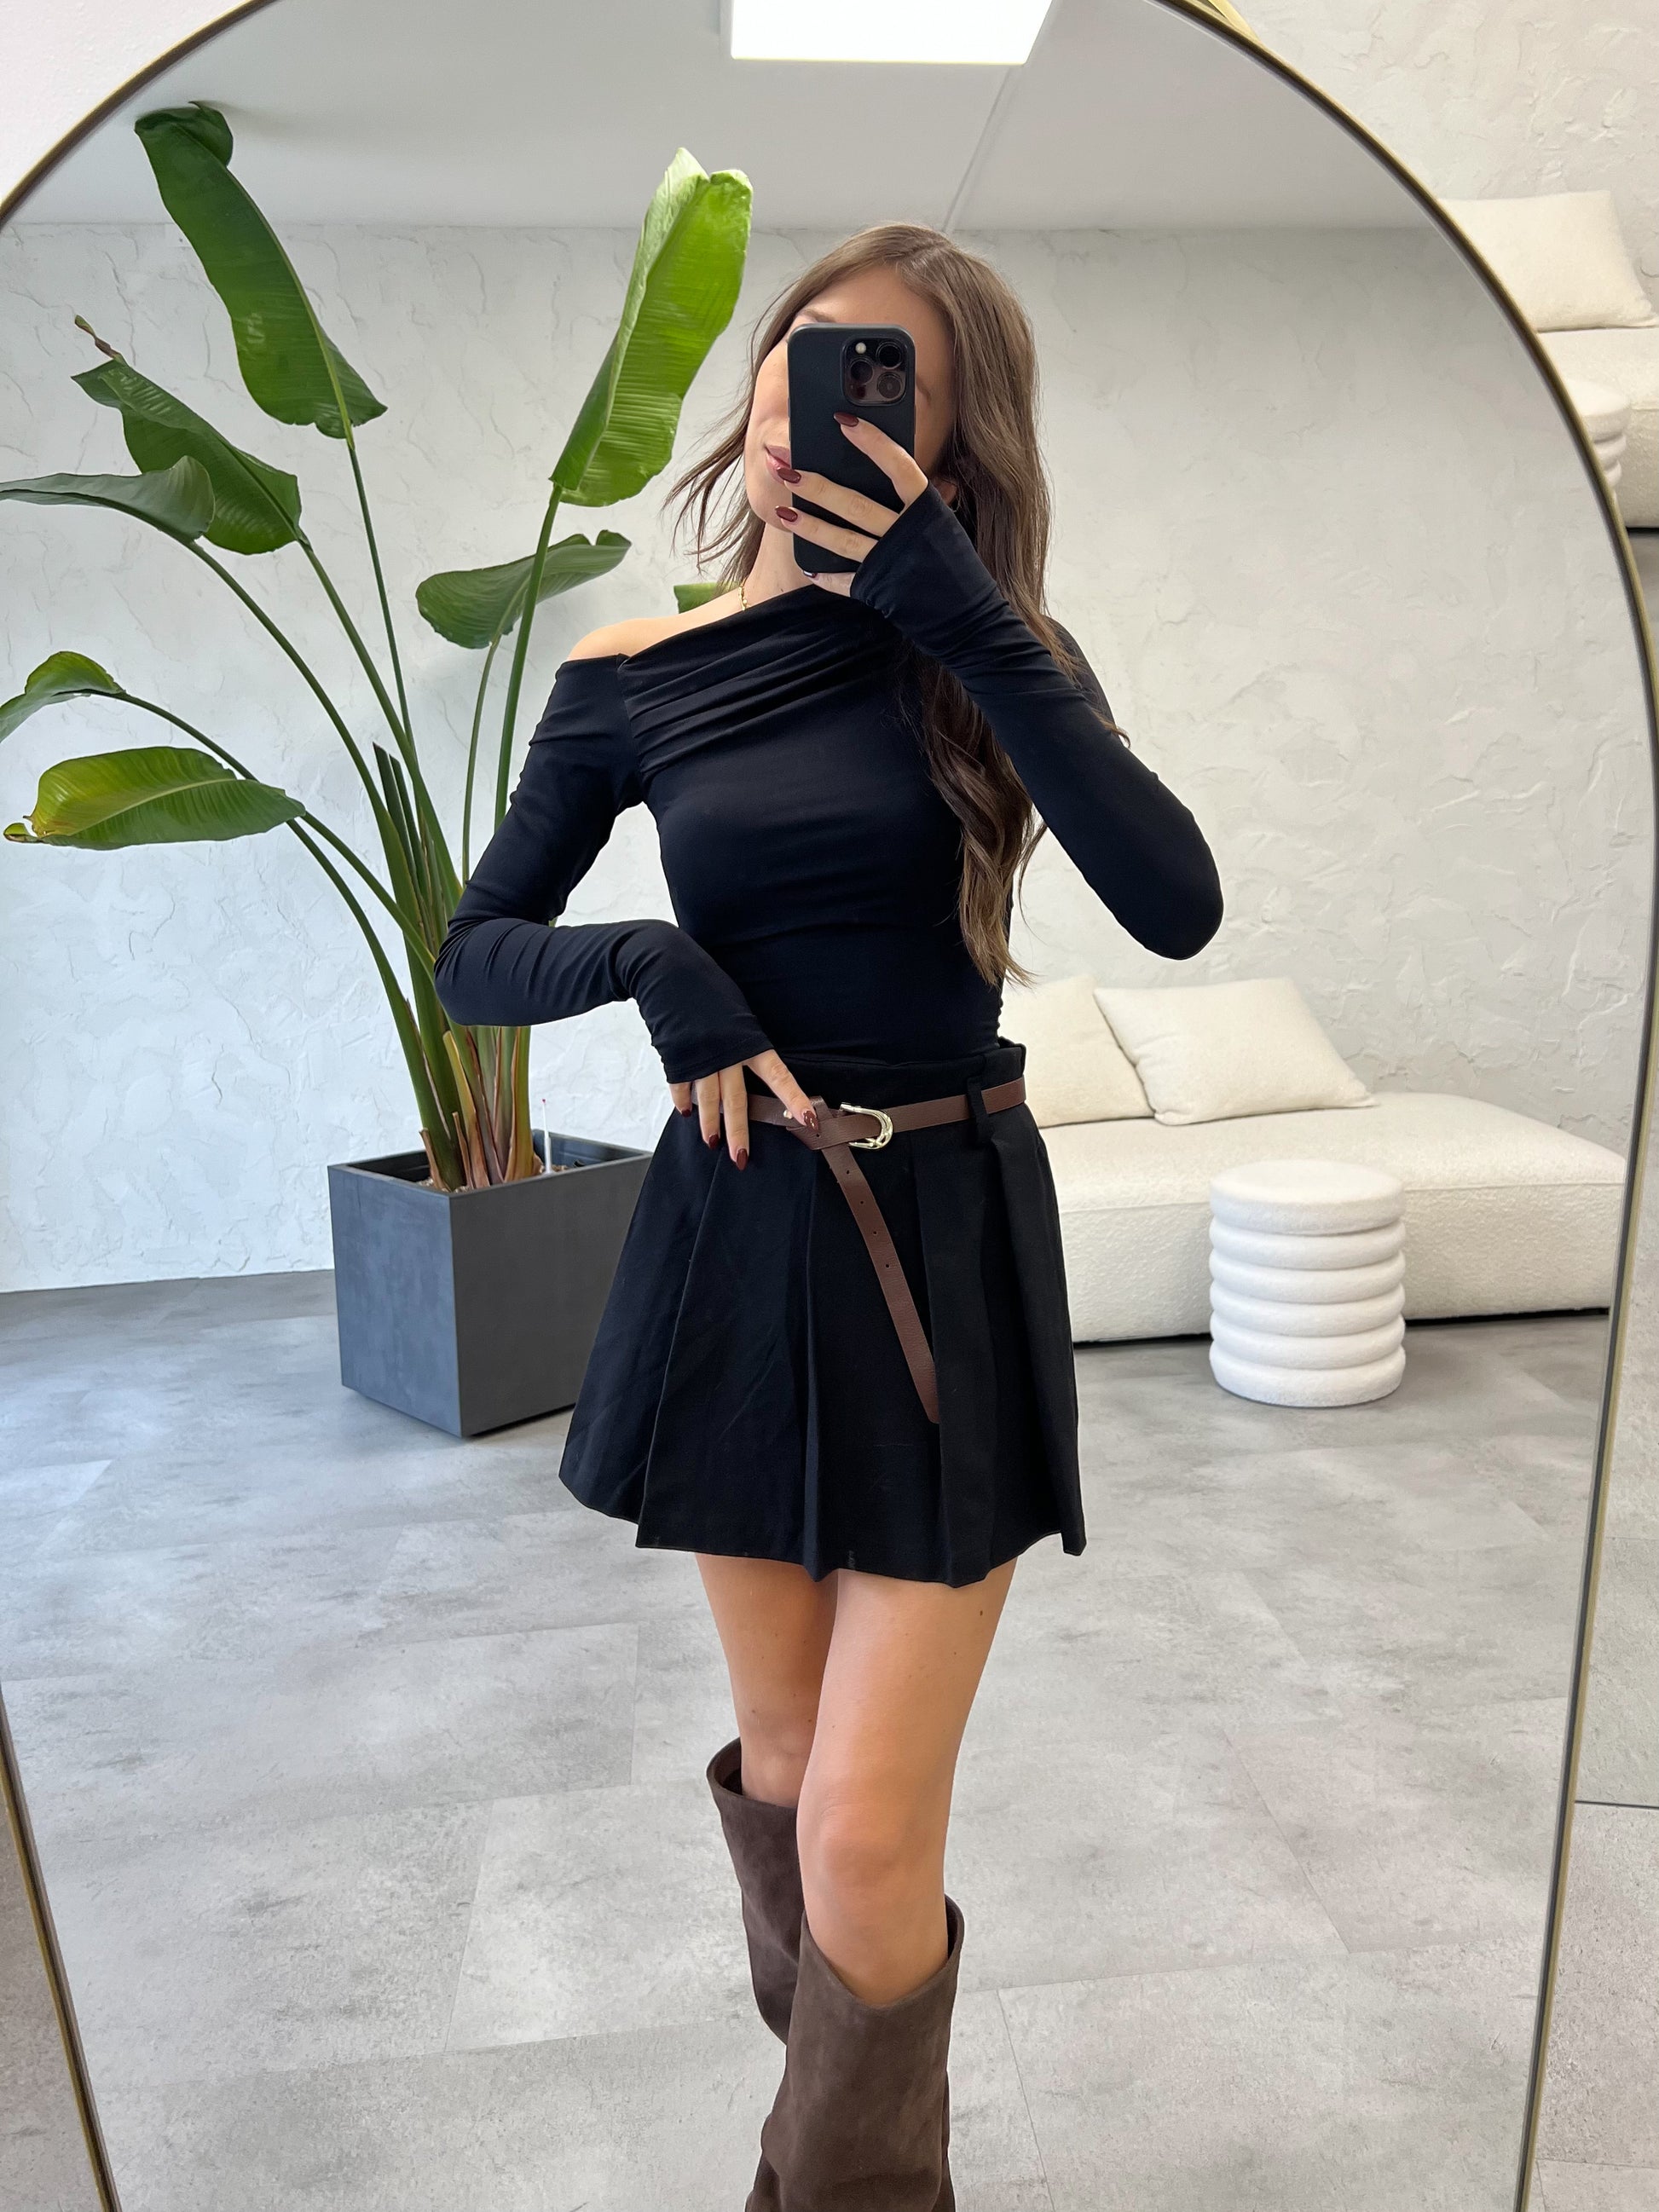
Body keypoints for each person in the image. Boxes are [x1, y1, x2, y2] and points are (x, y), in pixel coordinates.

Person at [433, 222, 1223, 2211]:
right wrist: (653, 964)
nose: (813, 411)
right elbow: (476, 947)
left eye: (883, 378)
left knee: (864, 1833)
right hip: (741, 1237)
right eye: (801, 356)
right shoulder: (629, 677)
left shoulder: (994, 655)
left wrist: (968, 617)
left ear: (948, 442)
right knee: (785, 1777)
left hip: (944, 1237)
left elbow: (1175, 900)